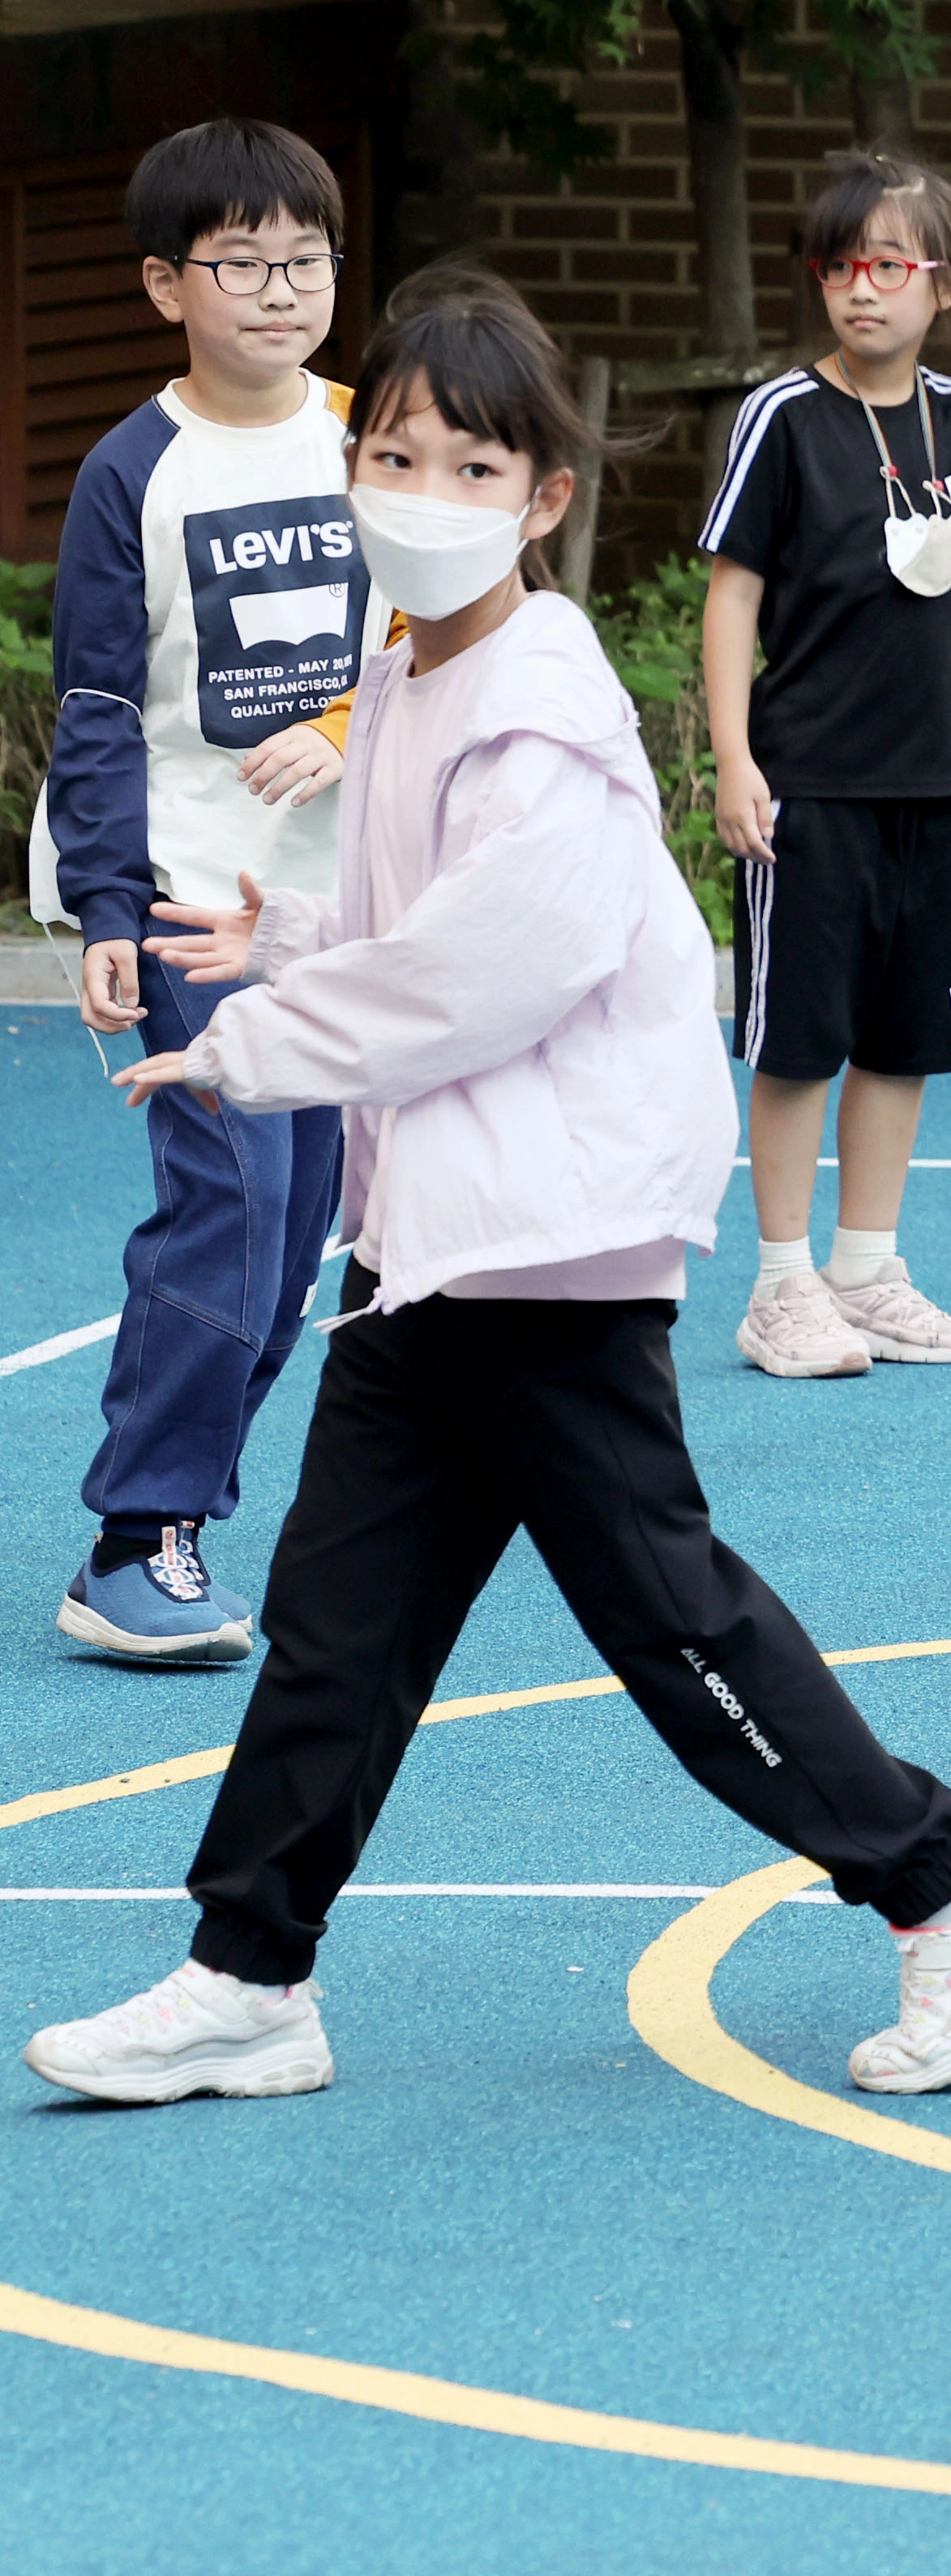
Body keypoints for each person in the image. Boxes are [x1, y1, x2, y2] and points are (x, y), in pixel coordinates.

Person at [23, 269, 951, 2111]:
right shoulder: (406, 667)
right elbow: (417, 908)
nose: (417, 486)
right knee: (341, 1619)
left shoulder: (539, 695)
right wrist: (276, 925)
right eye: (393, 451)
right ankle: (248, 1968)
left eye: (471, 461)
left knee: (672, 1615)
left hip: (544, 1236)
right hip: (437, 1240)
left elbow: (491, 965)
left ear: (541, 499)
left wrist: (262, 1036)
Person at [32, 118, 376, 1665]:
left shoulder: (377, 432)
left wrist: (336, 728)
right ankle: (136, 1532)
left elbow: (435, 642)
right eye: (240, 263)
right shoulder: (131, 471)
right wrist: (106, 907)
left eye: (304, 258)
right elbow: (98, 707)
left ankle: (185, 1515)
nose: (279, 290)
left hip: (340, 908)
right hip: (189, 903)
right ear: (168, 283)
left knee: (302, 1222)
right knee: (230, 1205)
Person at [698, 149, 951, 1379]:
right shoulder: (782, 419)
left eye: (888, 265)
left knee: (903, 1039)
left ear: (940, 284)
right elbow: (731, 597)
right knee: (800, 1038)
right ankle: (779, 1285)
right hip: (812, 787)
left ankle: (866, 1270)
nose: (860, 288)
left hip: (943, 785)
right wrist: (733, 758)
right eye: (838, 265)